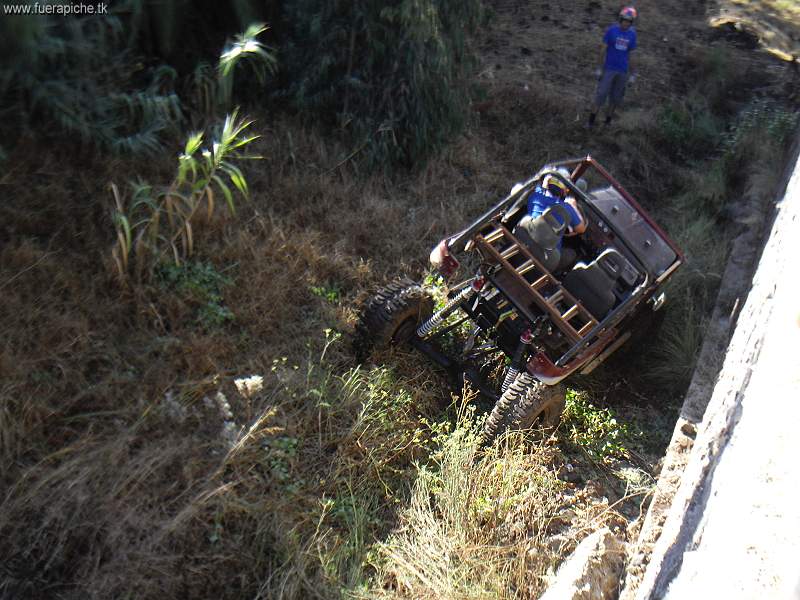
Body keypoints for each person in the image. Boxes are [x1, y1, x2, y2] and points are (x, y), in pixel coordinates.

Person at [588, 6, 638, 128]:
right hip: (609, 69)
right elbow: (602, 49)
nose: (626, 23)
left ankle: (608, 122)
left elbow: (632, 55)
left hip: (623, 71)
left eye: (629, 21)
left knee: (615, 98)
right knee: (601, 95)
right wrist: (599, 68)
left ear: (631, 22)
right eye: (624, 20)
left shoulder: (632, 34)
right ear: (620, 19)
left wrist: (633, 74)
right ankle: (590, 122)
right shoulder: (612, 30)